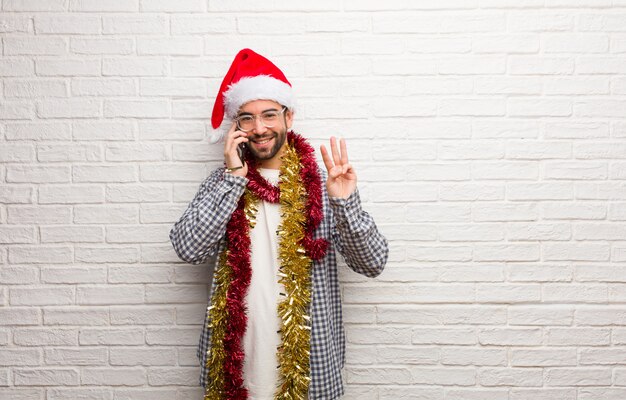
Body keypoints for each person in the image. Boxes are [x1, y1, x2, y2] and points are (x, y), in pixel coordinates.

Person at [169, 48, 388, 400]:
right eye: (246, 118)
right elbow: (187, 249)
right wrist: (233, 179)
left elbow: (373, 263)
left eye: (269, 114)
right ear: (235, 127)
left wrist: (343, 202)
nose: (259, 128)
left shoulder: (324, 184)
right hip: (237, 371)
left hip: (309, 370)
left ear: (289, 117)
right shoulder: (221, 183)